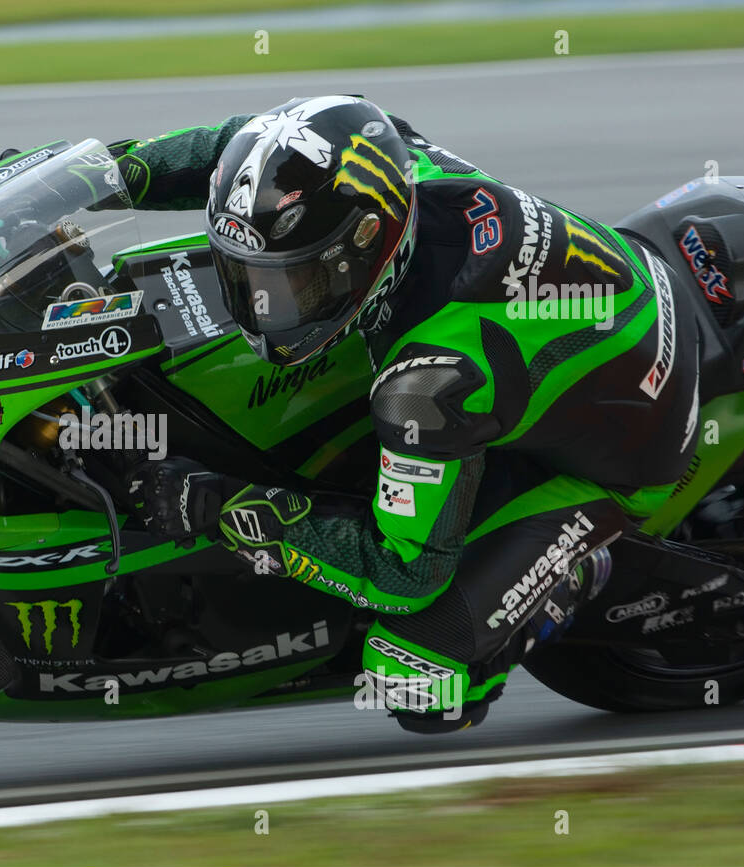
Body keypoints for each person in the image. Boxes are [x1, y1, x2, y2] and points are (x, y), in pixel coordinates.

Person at [119, 95, 701, 732]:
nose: (263, 307)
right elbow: (242, 147)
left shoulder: (424, 383)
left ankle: (588, 566)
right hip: (613, 302)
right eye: (250, 278)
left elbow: (406, 574)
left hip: (631, 441)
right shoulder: (381, 155)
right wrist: (110, 175)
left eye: (294, 283)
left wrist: (224, 507)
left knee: (415, 680)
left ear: (365, 244)